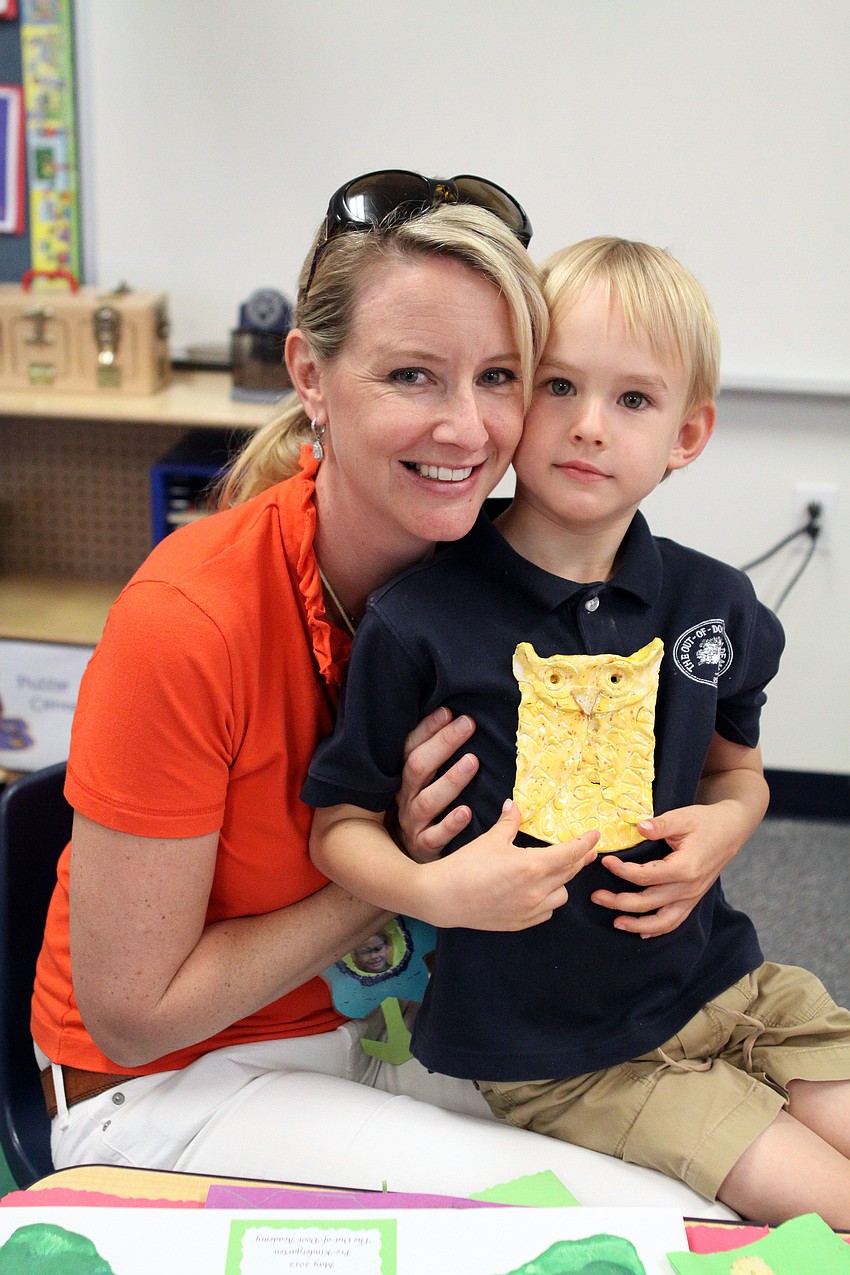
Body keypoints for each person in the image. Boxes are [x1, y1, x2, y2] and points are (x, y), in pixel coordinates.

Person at [30, 173, 735, 1211]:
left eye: (500, 377)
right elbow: (133, 1018)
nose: (467, 429)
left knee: (732, 1155)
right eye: (413, 375)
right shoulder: (188, 622)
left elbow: (696, 770)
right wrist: (399, 872)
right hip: (179, 1083)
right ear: (310, 375)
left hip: (399, 1021)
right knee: (664, 1221)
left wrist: (719, 822)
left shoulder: (487, 577)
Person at [306, 236, 850, 1225]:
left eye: (633, 400)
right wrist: (432, 890)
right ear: (514, 397)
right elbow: (336, 824)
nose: (590, 426)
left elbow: (738, 772)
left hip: (731, 982)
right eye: (558, 386)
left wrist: (728, 826)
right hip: (568, 1055)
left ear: (687, 434)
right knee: (837, 1204)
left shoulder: (712, 603)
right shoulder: (421, 617)